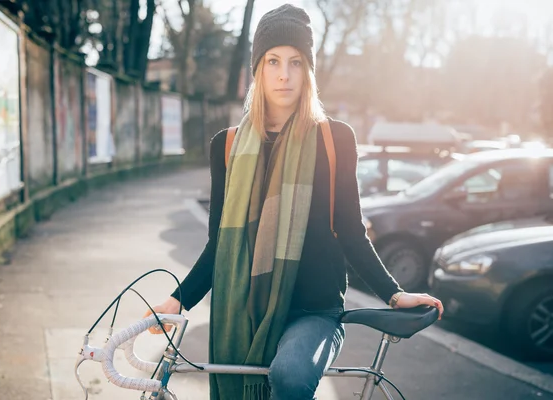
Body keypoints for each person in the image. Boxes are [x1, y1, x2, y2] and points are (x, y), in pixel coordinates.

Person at [145, 4, 444, 400]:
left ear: (308, 71)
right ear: (258, 69)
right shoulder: (228, 146)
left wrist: (394, 294)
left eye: (295, 62)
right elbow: (220, 245)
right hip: (243, 313)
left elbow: (352, 233)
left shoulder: (334, 140)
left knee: (289, 376)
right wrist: (176, 300)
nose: (284, 74)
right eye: (272, 61)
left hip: (315, 312)